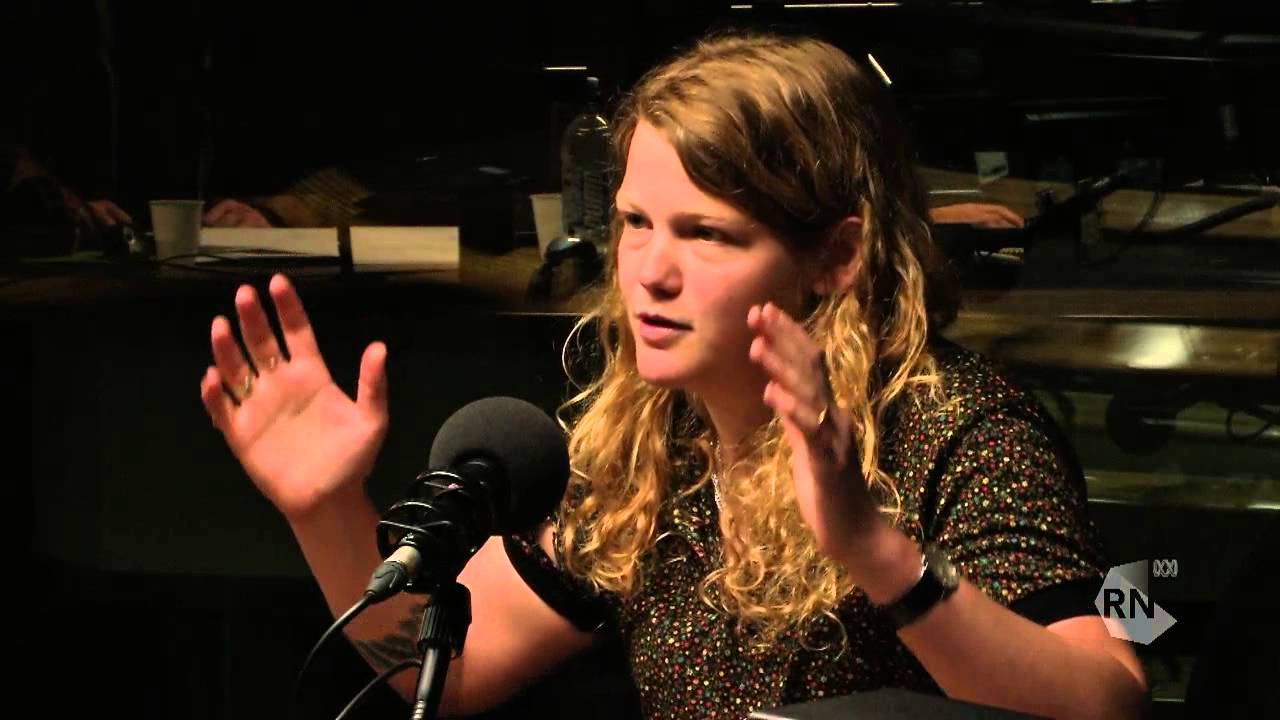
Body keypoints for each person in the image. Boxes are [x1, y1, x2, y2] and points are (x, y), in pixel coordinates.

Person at [199, 32, 1146, 719]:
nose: (649, 270)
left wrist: (874, 549)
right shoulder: (655, 436)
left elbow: (1104, 701)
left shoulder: (961, 430)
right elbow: (444, 669)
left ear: (835, 256)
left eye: (706, 234)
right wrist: (327, 511)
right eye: (635, 223)